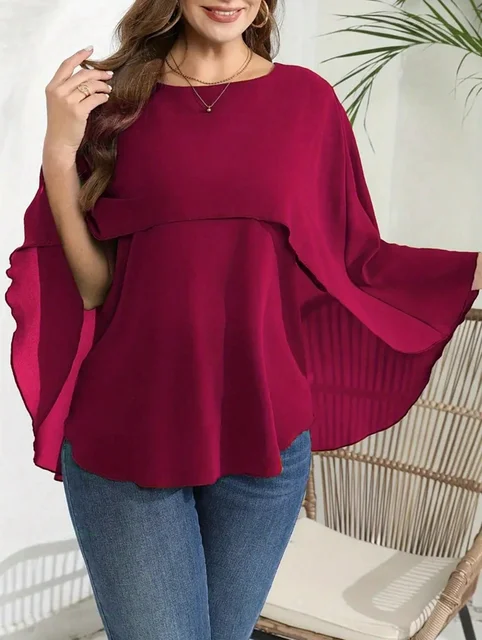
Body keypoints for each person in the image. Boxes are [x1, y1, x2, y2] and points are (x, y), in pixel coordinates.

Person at [5, 1, 482, 638]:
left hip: (263, 441)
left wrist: (466, 270)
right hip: (129, 432)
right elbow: (94, 287)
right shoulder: (113, 104)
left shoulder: (306, 103)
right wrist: (59, 151)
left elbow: (357, 258)